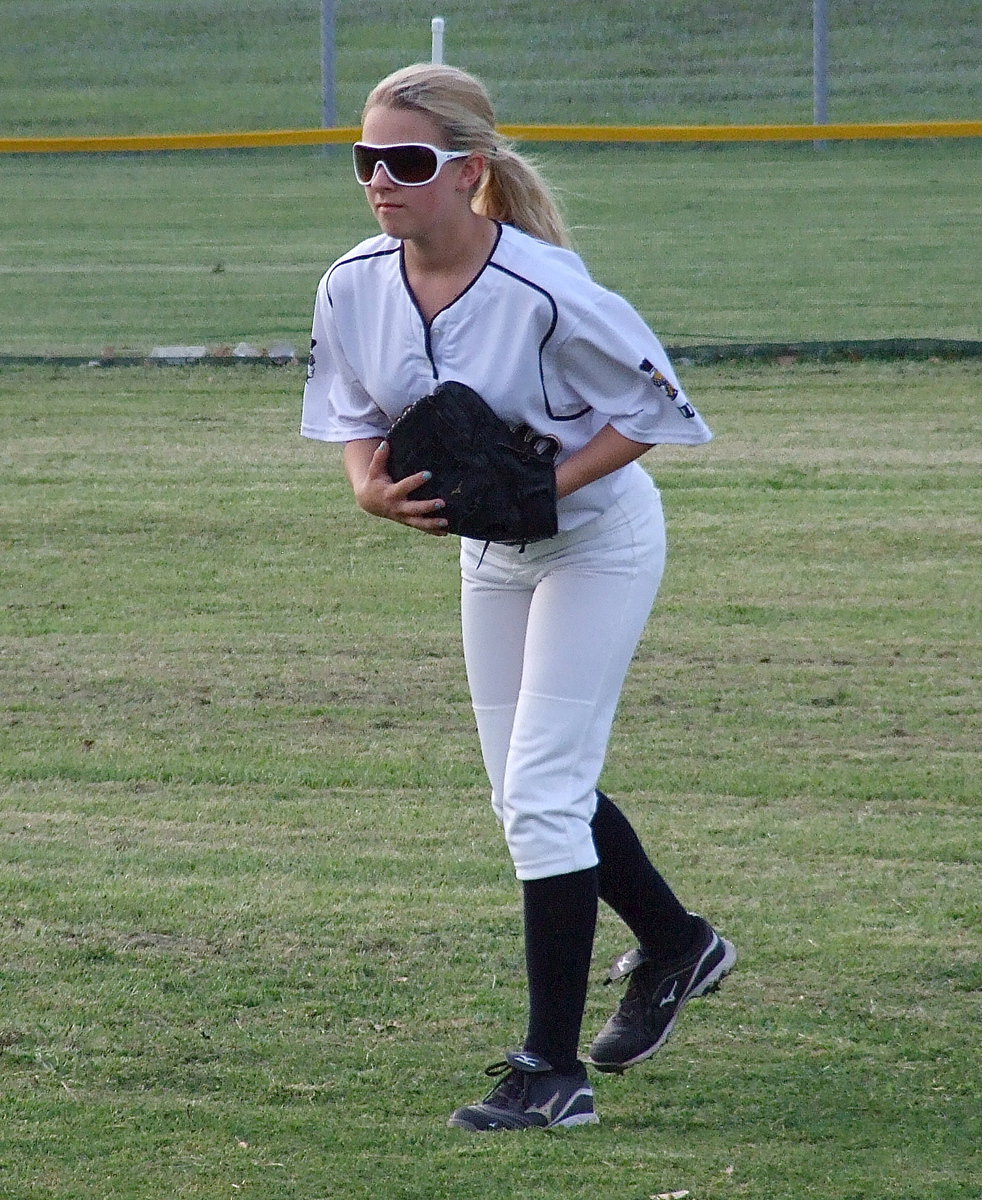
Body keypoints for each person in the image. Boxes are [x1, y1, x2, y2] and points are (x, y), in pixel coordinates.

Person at [300, 63, 736, 1132]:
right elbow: (352, 403)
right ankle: (679, 945)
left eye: (406, 162)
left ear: (468, 172)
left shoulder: (547, 288)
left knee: (542, 791)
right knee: (531, 794)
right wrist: (365, 484)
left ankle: (552, 1072)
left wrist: (547, 485)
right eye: (366, 161)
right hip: (487, 556)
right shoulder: (354, 281)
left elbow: (657, 411)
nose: (380, 182)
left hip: (597, 545)